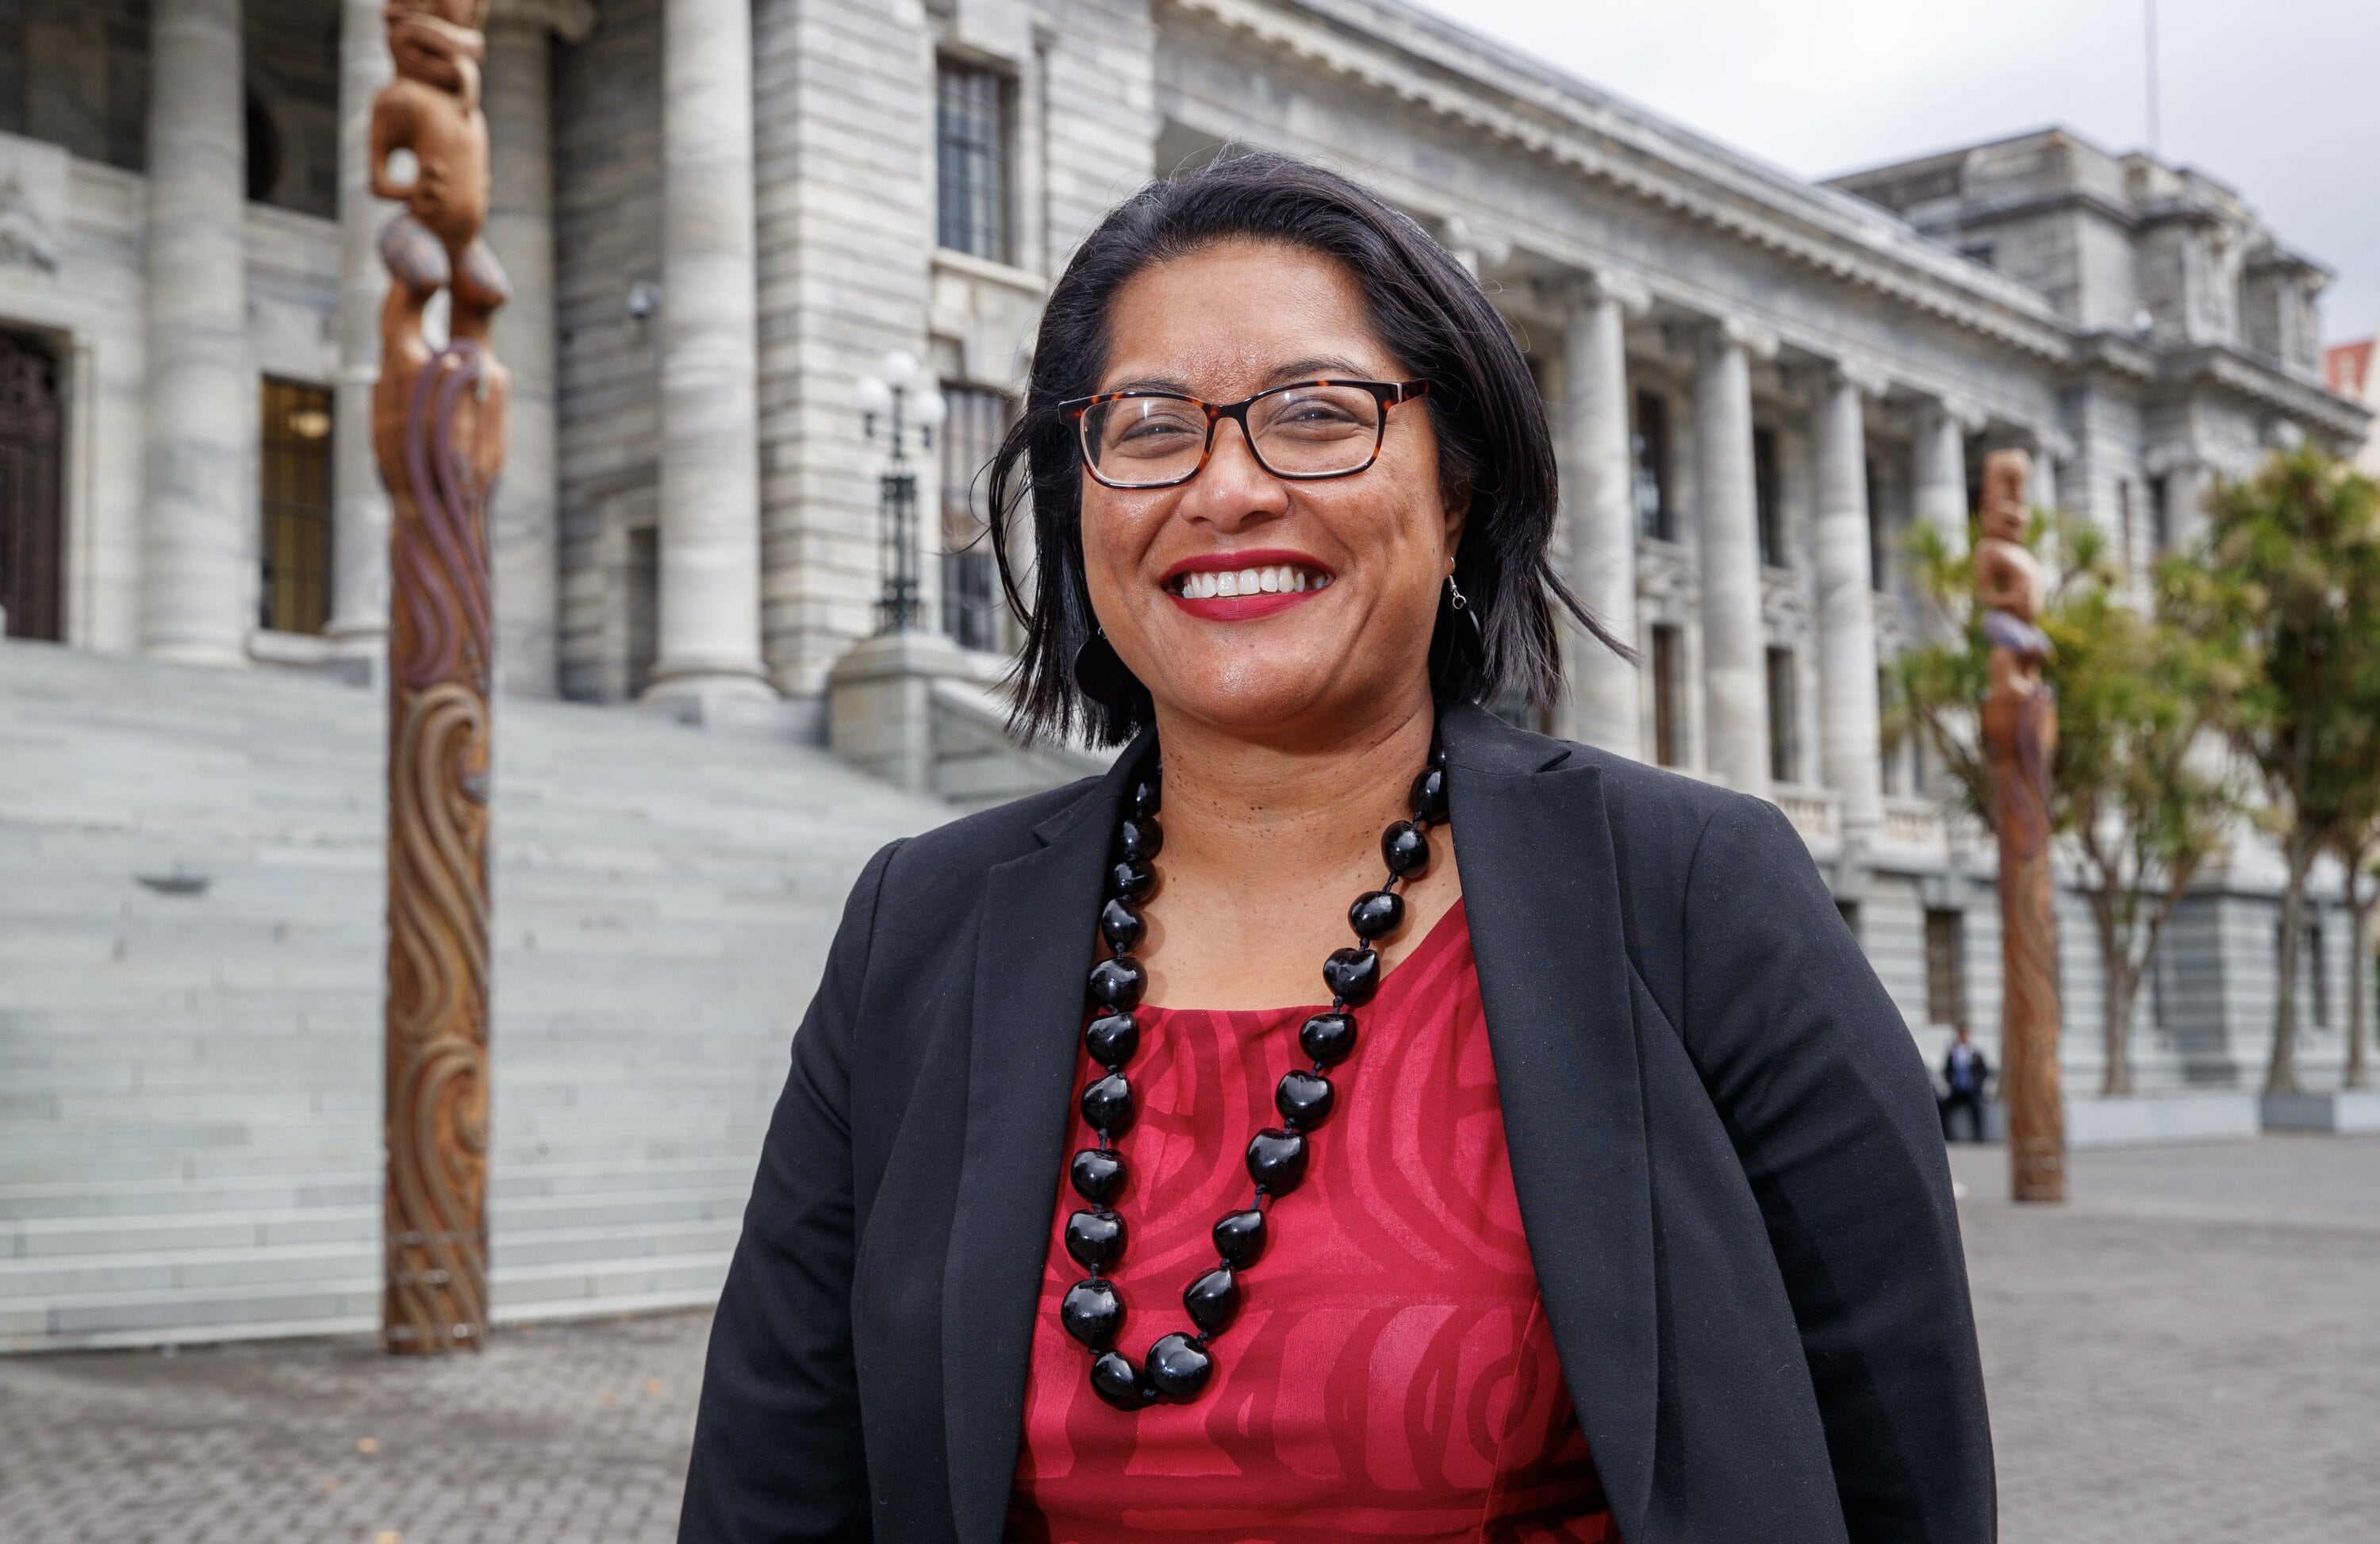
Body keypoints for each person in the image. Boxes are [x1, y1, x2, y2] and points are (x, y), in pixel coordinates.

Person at [678, 154, 1992, 1544]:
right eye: (1152, 424)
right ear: (1079, 495)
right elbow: (776, 1480)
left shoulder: (1694, 893)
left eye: (1316, 415)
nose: (1227, 486)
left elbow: (1902, 1462)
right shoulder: (920, 926)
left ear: (1460, 491)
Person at [1941, 1024, 1992, 1143]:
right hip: (1957, 1091)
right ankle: (1948, 1135)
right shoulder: (1953, 1053)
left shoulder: (1975, 1053)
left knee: (1977, 1109)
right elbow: (1947, 1071)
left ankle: (1978, 1136)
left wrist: (1977, 1084)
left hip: (1972, 1091)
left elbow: (1984, 1071)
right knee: (1944, 1108)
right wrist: (1951, 1082)